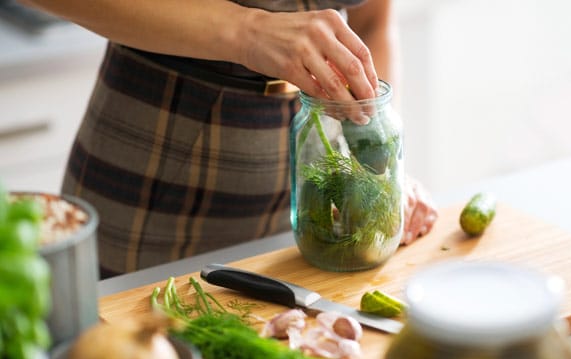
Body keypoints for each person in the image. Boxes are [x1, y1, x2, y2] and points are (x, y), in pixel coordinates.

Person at [21, 0, 437, 278]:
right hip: (154, 187)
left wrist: (382, 176)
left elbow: (372, 21)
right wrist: (248, 31)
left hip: (310, 208)